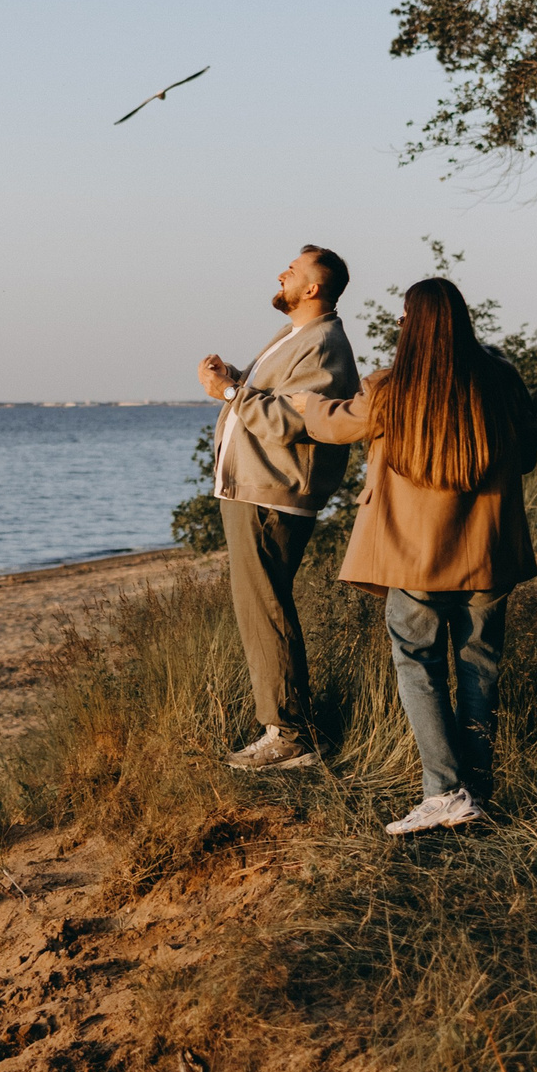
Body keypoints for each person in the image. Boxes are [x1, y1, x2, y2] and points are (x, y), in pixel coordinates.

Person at [287, 277, 537, 834]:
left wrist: (304, 399)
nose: (401, 324)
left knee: (418, 665)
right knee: (480, 669)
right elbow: (527, 455)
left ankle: (445, 792)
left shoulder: (390, 388)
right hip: (489, 556)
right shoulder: (501, 381)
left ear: (414, 323)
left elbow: (330, 424)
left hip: (416, 560)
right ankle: (477, 796)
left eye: (405, 316)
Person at [195, 246, 360, 771]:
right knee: (260, 606)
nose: (281, 273)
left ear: (313, 288)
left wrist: (226, 391)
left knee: (264, 608)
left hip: (271, 493)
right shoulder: (299, 337)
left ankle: (288, 734)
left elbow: (293, 420)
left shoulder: (325, 343)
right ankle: (284, 727)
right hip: (254, 489)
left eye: (293, 270)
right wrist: (238, 379)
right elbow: (275, 398)